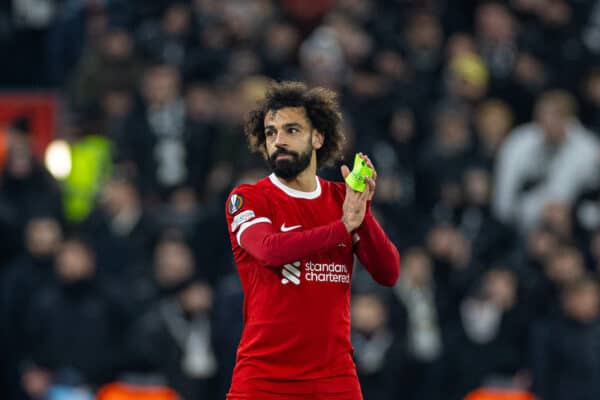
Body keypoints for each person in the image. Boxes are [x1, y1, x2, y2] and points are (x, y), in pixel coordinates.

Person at [224, 81, 400, 400]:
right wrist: (343, 226)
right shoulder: (249, 197)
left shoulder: (339, 199)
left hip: (334, 380)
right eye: (270, 132)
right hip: (264, 380)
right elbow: (268, 250)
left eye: (291, 130)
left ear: (318, 137)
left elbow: (388, 272)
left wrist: (363, 212)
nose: (278, 140)